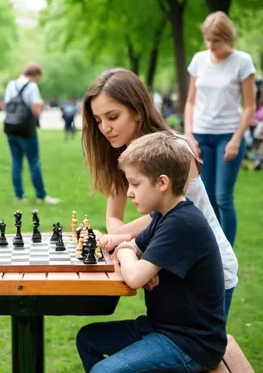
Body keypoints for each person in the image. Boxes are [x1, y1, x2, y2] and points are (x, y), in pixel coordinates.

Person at [76, 133, 227, 373]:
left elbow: (134, 276)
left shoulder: (182, 224)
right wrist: (127, 249)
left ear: (162, 183)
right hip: (163, 327)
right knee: (88, 338)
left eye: (134, 183)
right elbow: (133, 248)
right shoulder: (163, 216)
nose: (130, 192)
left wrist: (125, 251)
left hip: (191, 343)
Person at [81, 68, 238, 315]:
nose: (104, 128)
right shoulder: (123, 156)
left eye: (112, 117)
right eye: (98, 120)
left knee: (195, 349)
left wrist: (123, 243)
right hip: (166, 265)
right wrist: (128, 244)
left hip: (208, 269)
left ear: (137, 111)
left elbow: (168, 217)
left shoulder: (175, 151)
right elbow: (113, 218)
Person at [185, 12, 256, 247]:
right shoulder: (198, 60)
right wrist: (189, 135)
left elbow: (249, 107)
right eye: (208, 40)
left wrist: (236, 140)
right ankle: (211, 247)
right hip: (201, 135)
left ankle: (227, 251)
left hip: (228, 135)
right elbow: (190, 101)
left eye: (216, 40)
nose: (211, 45)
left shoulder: (242, 62)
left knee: (223, 196)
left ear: (228, 37)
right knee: (206, 198)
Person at [4, 62, 60, 204]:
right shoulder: (32, 86)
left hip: (10, 127)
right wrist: (39, 112)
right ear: (36, 75)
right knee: (34, 162)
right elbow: (35, 109)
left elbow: (6, 104)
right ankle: (41, 195)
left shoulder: (11, 84)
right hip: (26, 129)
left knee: (16, 163)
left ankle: (19, 195)